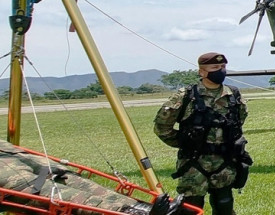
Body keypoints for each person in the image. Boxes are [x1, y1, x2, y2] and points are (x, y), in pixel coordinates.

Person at [154, 52, 250, 215]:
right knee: (191, 208)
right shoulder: (187, 96)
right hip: (194, 165)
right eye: (215, 67)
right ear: (202, 72)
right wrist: (185, 142)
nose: (221, 70)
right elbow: (162, 127)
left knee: (224, 205)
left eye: (223, 67)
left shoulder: (233, 95)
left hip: (224, 163)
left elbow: (239, 121)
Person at [0, 139, 182, 215]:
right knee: (45, 191)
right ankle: (129, 213)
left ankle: (141, 207)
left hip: (18, 160)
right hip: (16, 179)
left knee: (72, 179)